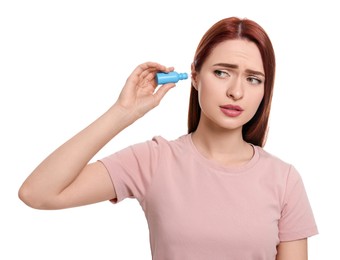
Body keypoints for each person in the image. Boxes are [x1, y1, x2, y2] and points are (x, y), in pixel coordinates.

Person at [18, 17, 318, 259]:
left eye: (253, 79)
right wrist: (123, 112)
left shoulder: (284, 180)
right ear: (196, 76)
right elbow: (38, 193)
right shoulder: (154, 160)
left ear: (265, 89)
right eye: (222, 72)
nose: (236, 92)